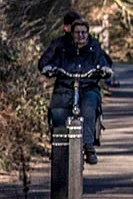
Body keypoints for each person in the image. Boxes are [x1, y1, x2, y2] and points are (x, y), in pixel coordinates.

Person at [40, 12, 113, 165]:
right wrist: (49, 68)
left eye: (84, 32)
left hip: (88, 87)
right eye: (77, 32)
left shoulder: (94, 47)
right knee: (58, 110)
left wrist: (104, 69)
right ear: (71, 34)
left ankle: (88, 145)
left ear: (88, 33)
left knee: (89, 106)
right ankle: (58, 145)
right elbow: (47, 61)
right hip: (65, 87)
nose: (81, 36)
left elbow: (105, 61)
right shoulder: (62, 47)